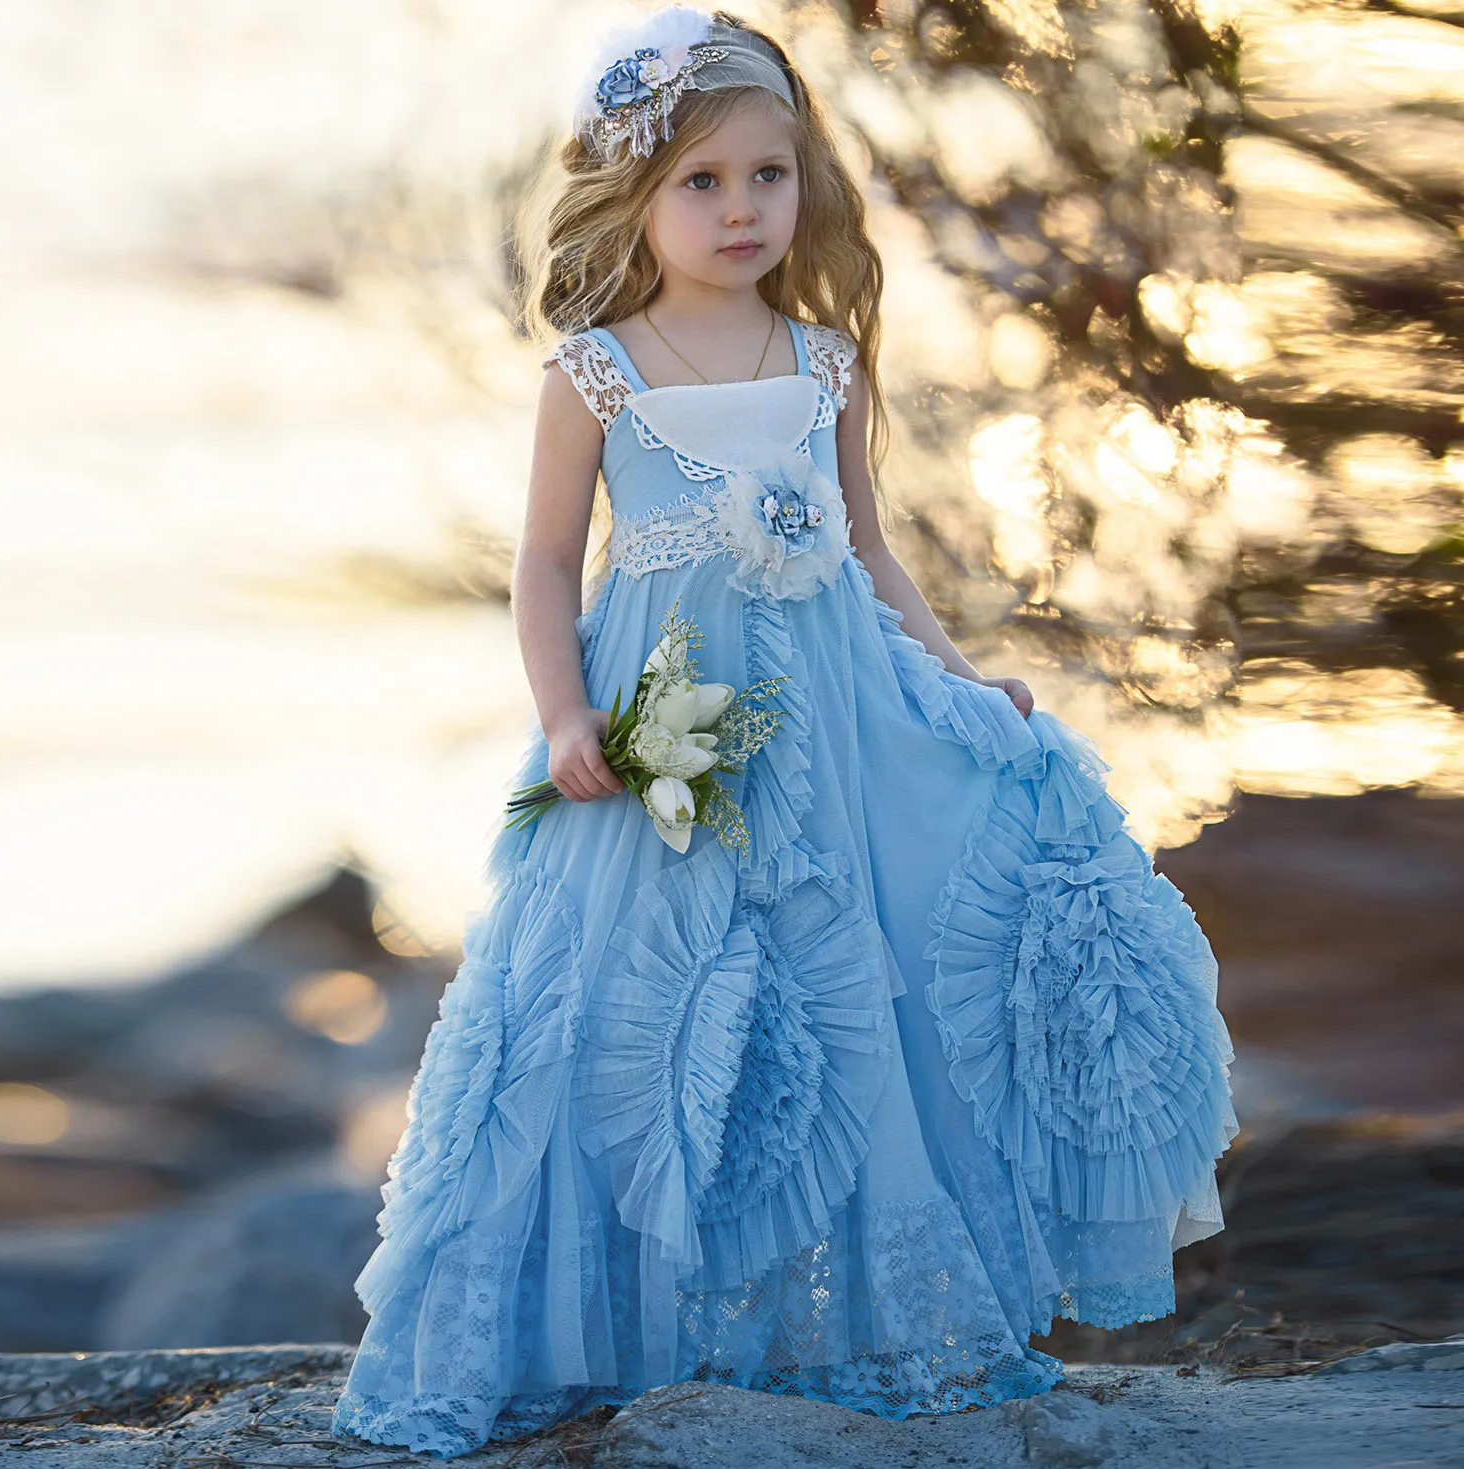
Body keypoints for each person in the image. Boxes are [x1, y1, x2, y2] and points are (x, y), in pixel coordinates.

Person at [331, 5, 1239, 1458]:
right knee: (638, 997)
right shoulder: (595, 370)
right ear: (631, 192)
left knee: (846, 986)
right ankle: (618, 1320)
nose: (743, 206)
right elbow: (549, 563)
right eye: (701, 181)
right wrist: (567, 712)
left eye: (768, 173)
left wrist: (958, 678)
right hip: (667, 719)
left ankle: (850, 1319)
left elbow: (871, 555)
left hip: (831, 720)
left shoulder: (825, 362)